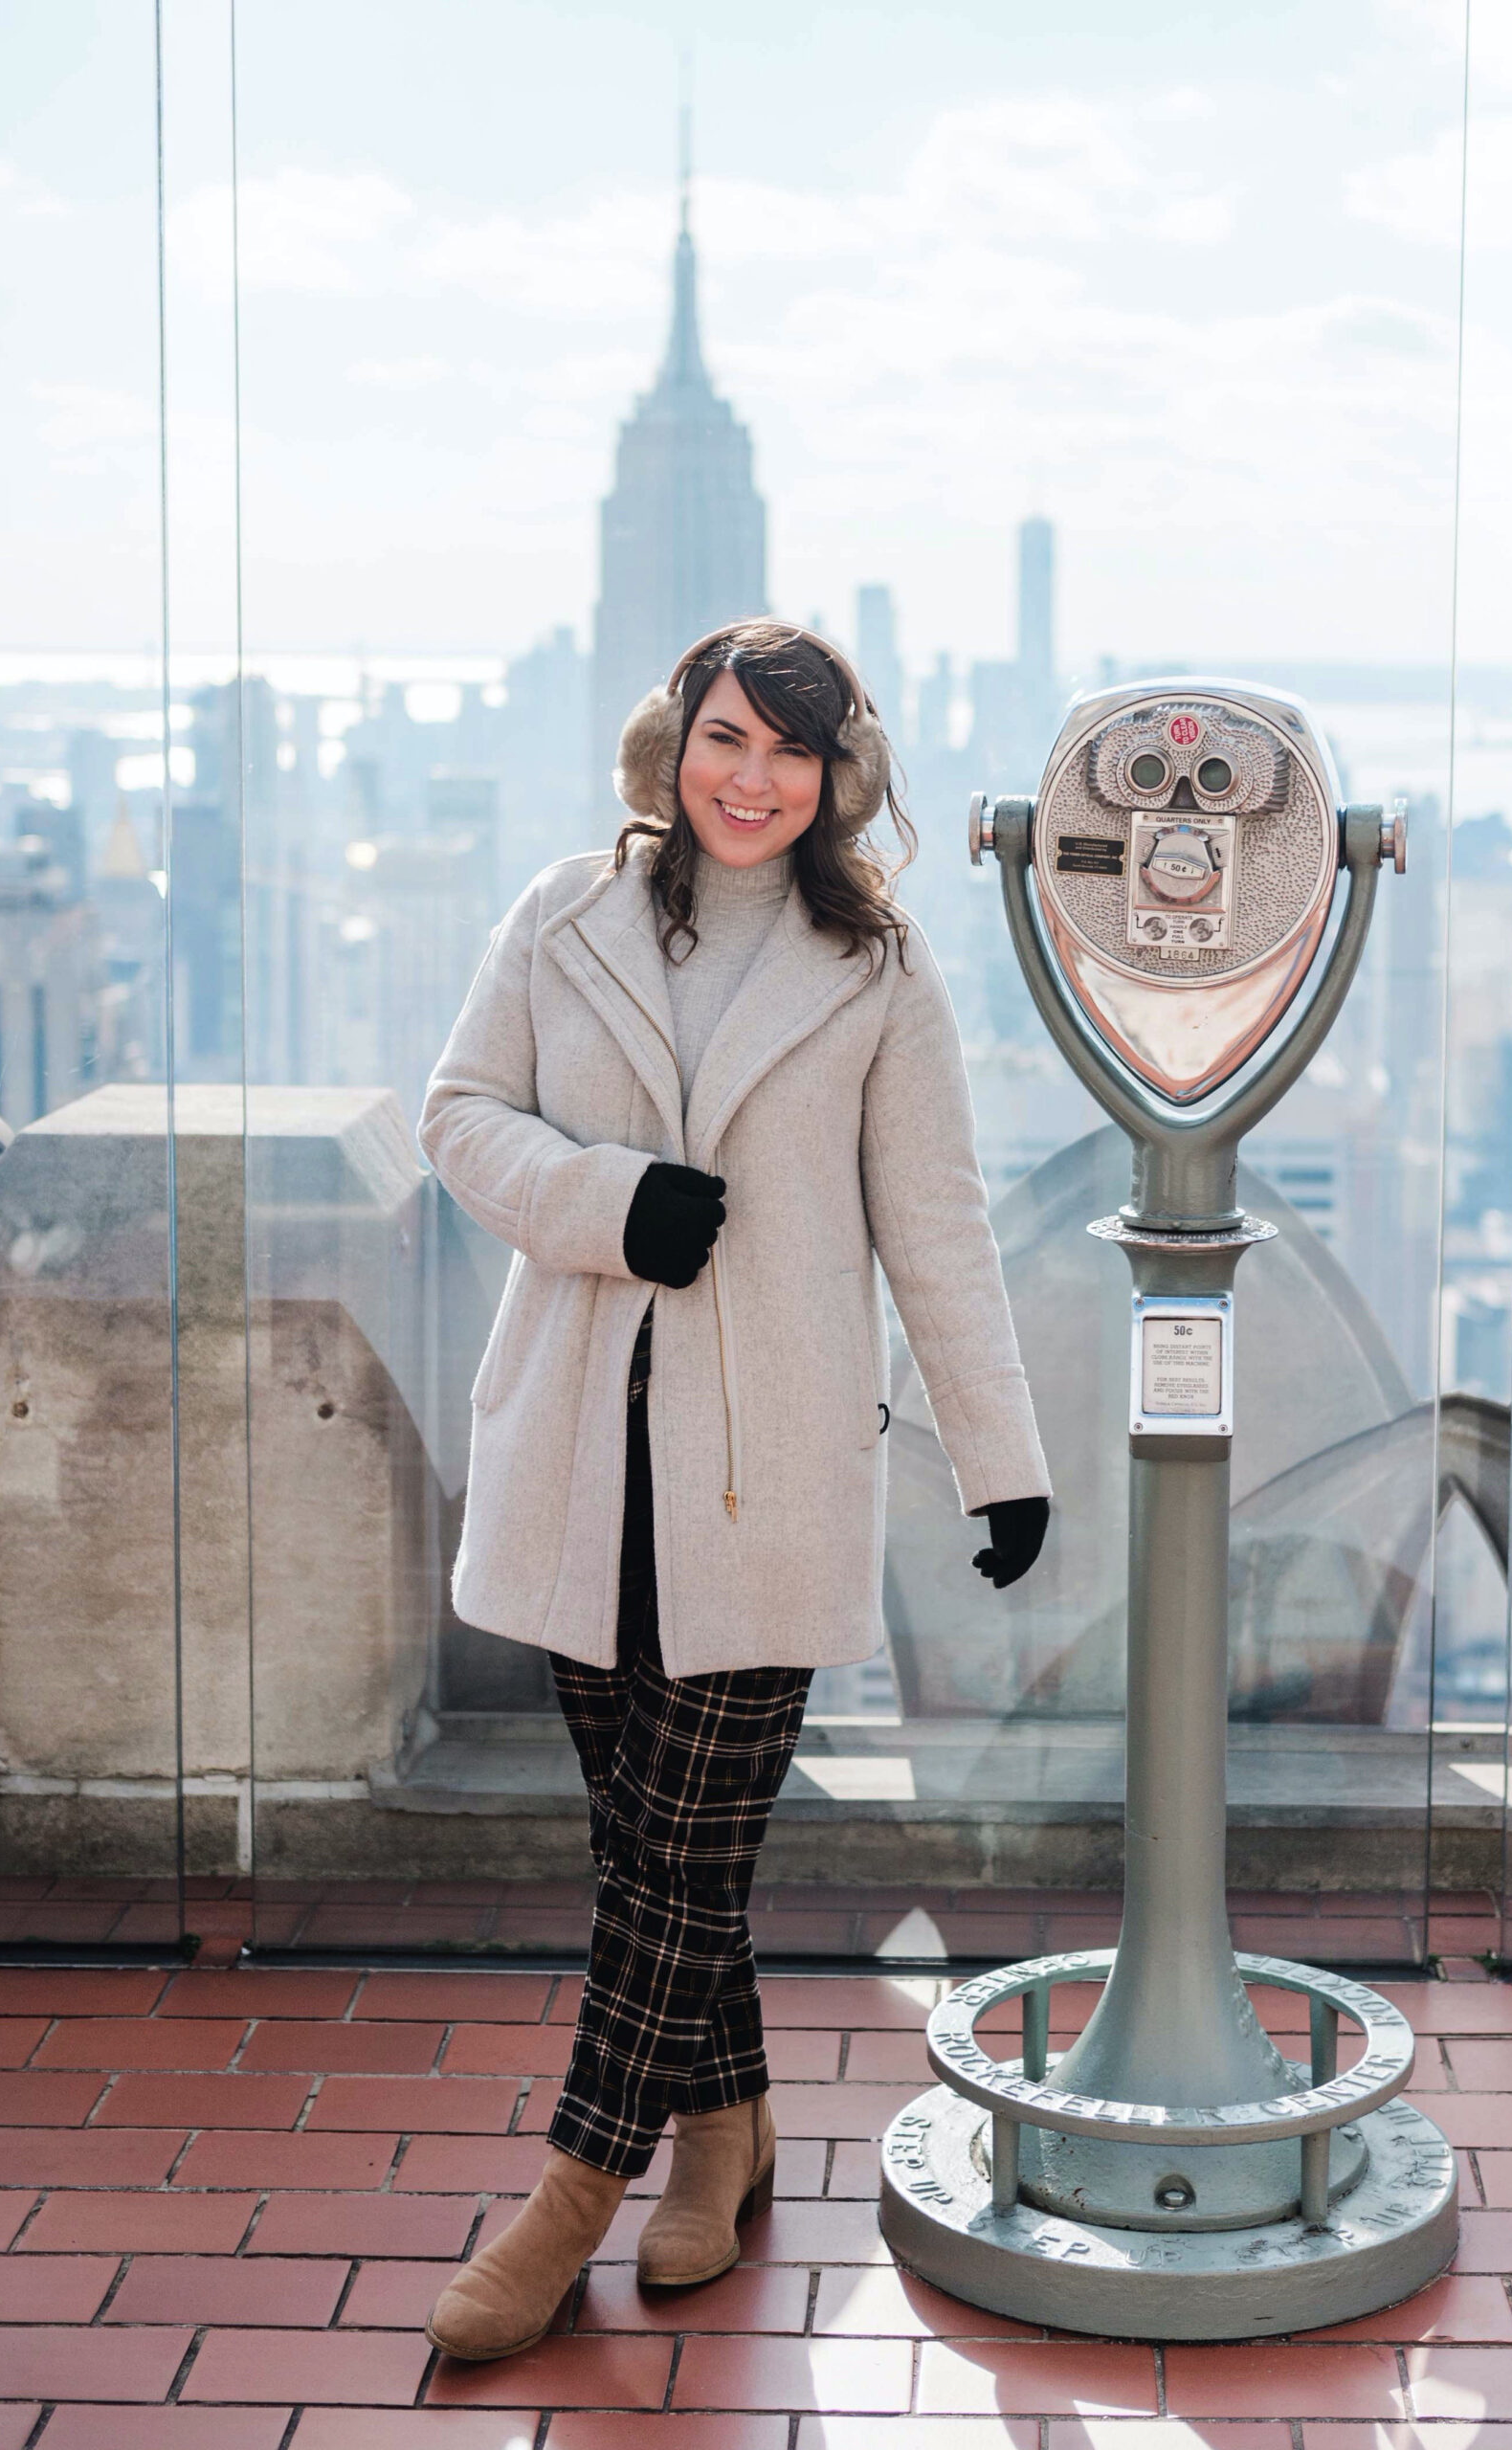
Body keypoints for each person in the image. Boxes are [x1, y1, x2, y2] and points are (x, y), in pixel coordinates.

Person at [417, 619, 1051, 2360]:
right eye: (724, 736)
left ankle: (569, 2198)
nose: (750, 777)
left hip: (764, 1478)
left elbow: (936, 1227)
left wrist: (1000, 1461)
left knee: (678, 1852)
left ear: (838, 773)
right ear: (671, 743)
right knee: (656, 1855)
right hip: (572, 1462)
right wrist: (611, 1199)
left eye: (788, 747)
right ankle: (729, 2127)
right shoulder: (563, 915)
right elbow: (460, 1116)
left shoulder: (878, 971)